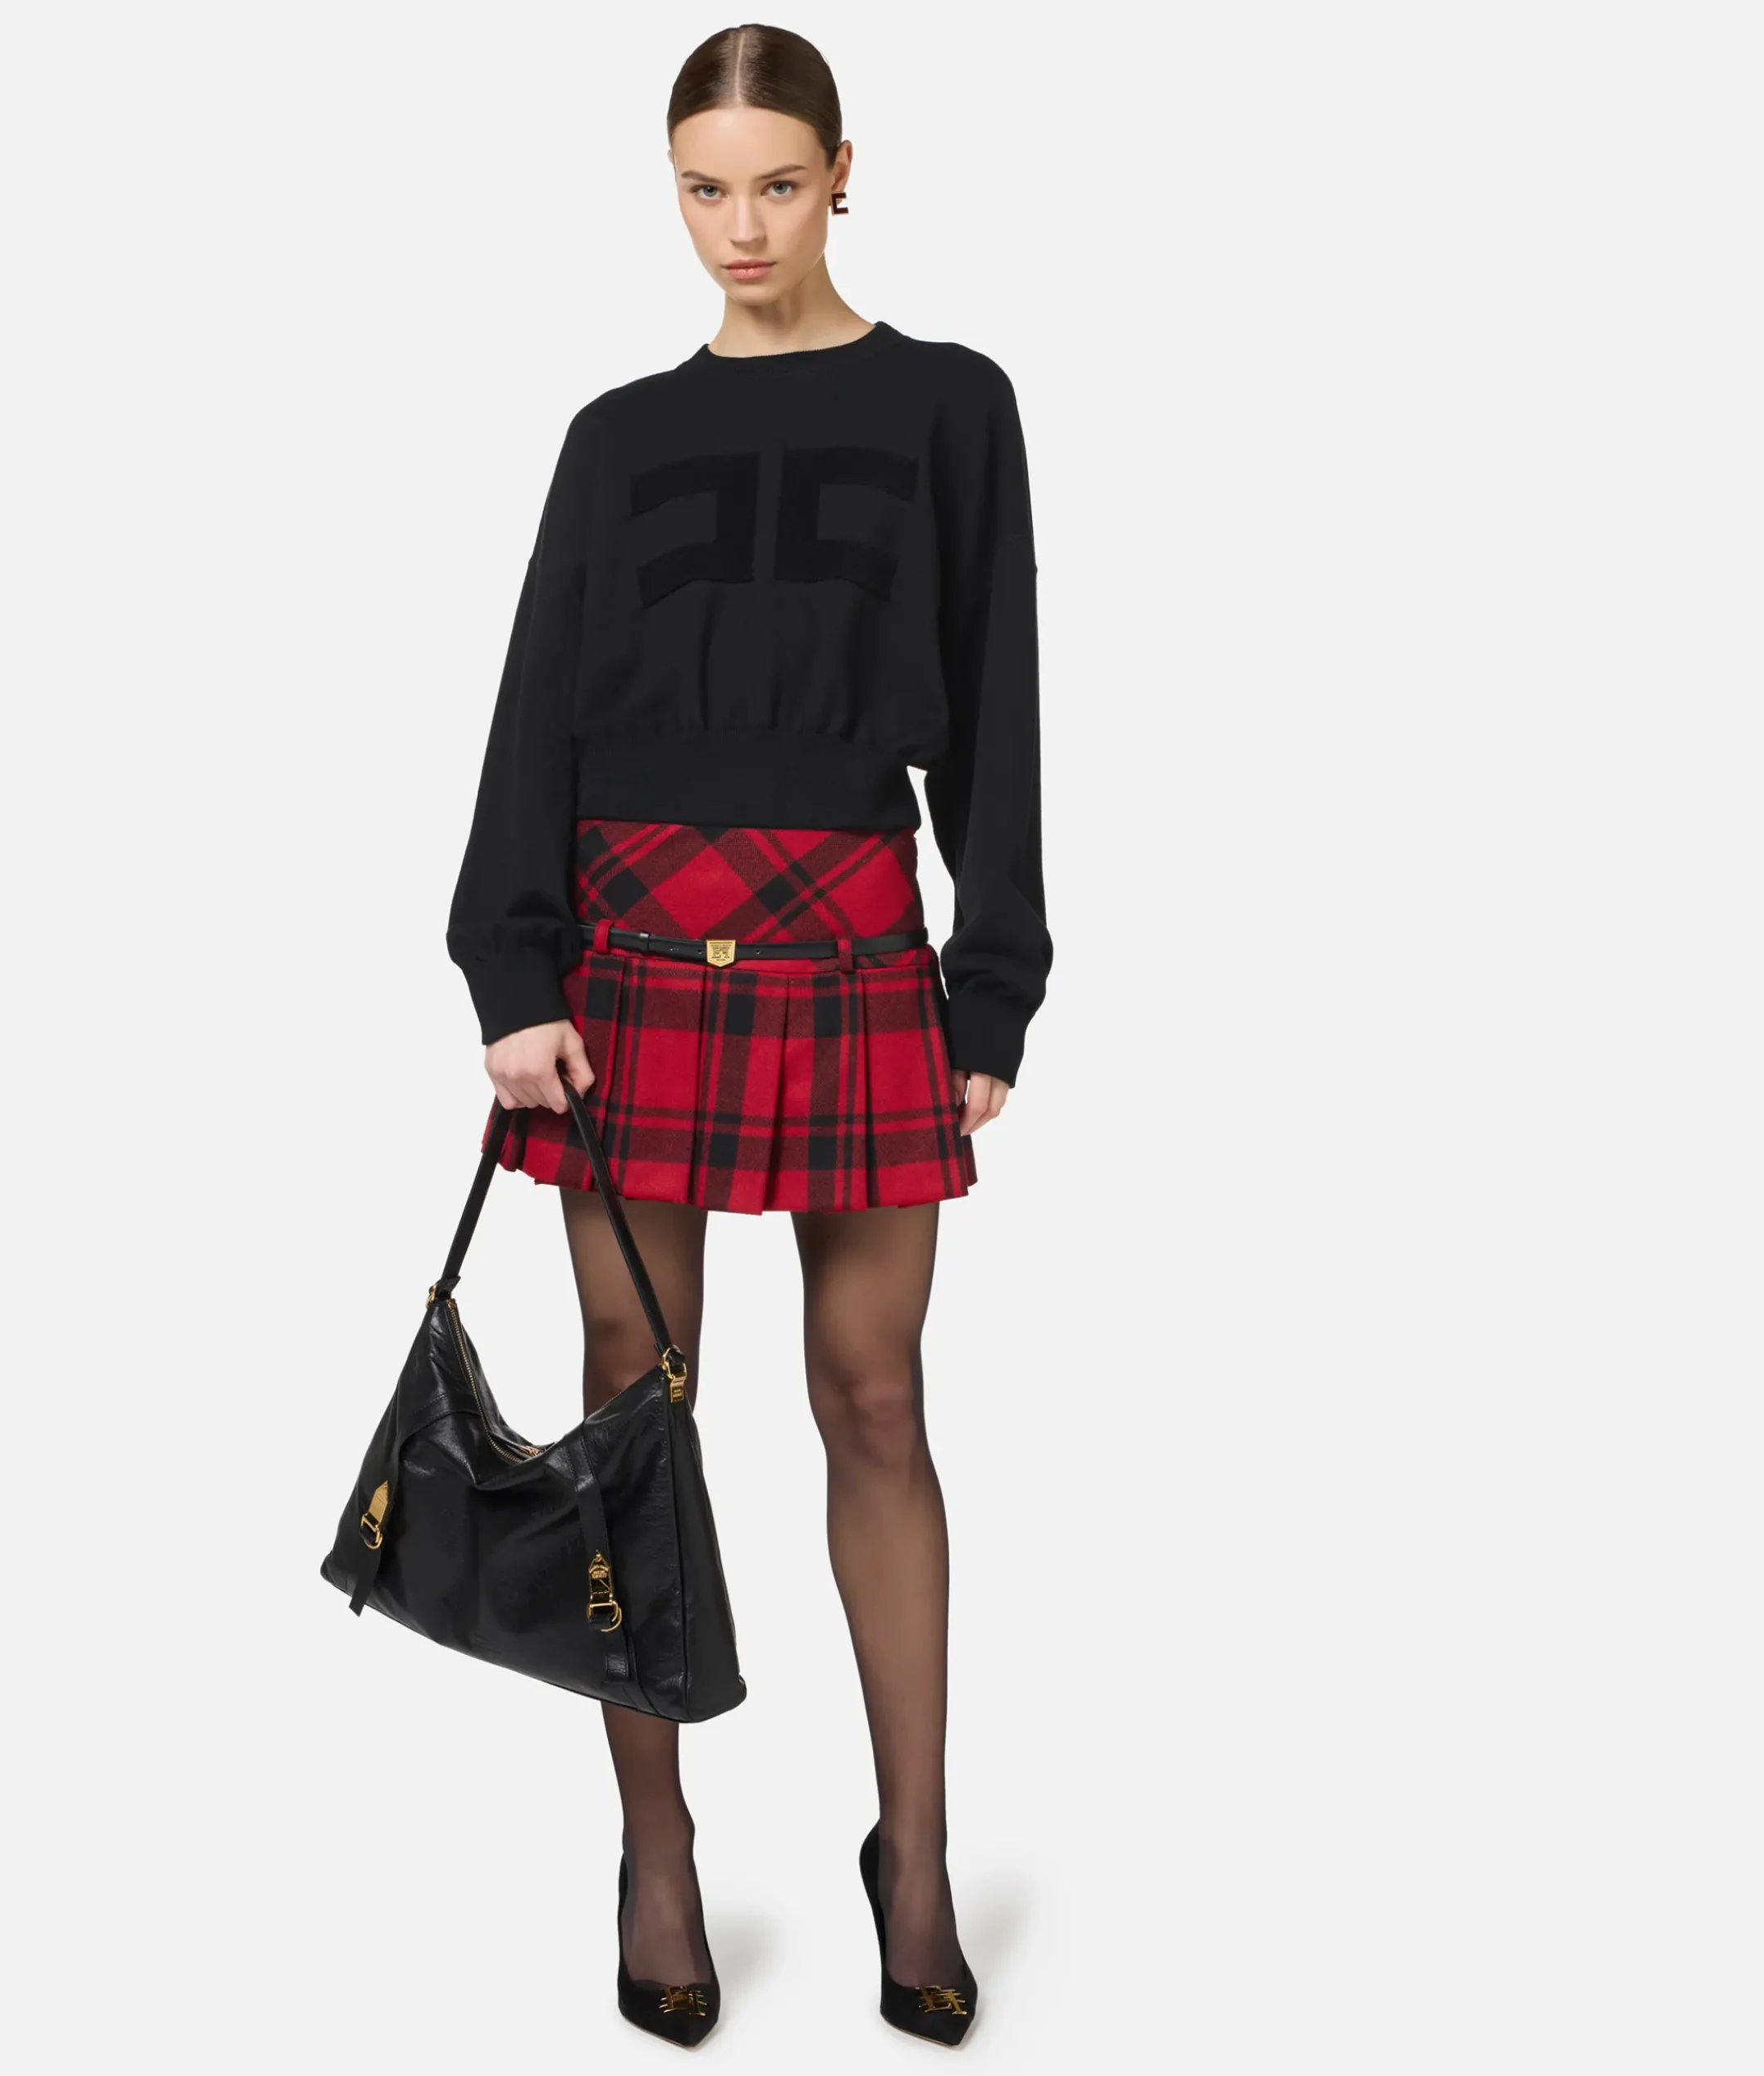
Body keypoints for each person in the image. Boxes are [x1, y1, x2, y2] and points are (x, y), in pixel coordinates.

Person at [444, 22, 1051, 2050]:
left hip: (852, 930)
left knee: (874, 1395)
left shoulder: (952, 402)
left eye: (776, 183)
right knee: (636, 1400)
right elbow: (535, 707)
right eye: (705, 189)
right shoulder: (614, 435)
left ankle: (915, 1847)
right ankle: (657, 1848)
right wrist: (511, 971)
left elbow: (996, 695)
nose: (740, 227)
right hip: (623, 948)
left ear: (842, 172)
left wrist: (992, 974)